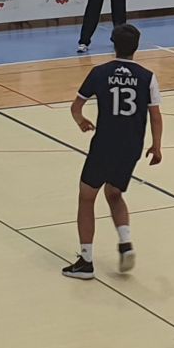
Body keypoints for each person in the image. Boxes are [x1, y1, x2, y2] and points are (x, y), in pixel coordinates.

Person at [63, 22, 162, 279]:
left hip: (105, 143)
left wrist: (81, 121)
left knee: (87, 197)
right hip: (131, 146)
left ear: (113, 44)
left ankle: (86, 261)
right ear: (136, 47)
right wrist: (156, 145)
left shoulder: (100, 72)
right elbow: (155, 115)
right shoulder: (147, 77)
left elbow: (75, 107)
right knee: (114, 193)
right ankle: (126, 242)